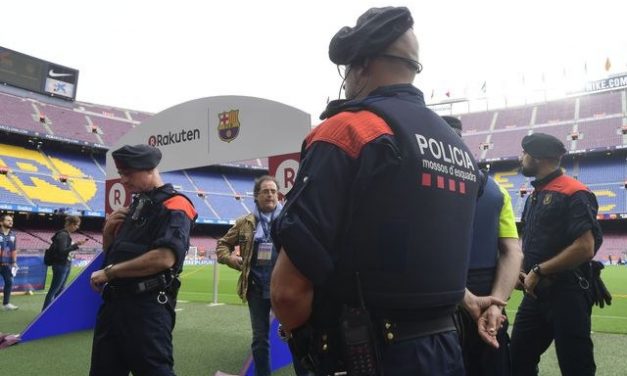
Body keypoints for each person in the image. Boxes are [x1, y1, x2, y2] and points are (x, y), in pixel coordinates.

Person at [270, 7, 504, 375]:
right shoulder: (458, 150)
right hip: (444, 349)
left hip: (362, 350)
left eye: (347, 68)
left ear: (362, 65)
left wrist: (307, 344)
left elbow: (287, 291)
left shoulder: (347, 131)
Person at [88, 144, 197, 376]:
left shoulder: (176, 204)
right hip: (114, 307)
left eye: (128, 173)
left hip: (147, 309)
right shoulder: (137, 204)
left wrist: (110, 273)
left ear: (149, 168)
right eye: (121, 173)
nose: (123, 180)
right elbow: (113, 257)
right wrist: (108, 233)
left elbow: (164, 258)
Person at [510, 133, 603, 376]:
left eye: (524, 153)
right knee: (516, 360)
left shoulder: (575, 191)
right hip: (536, 294)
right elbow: (533, 243)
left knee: (576, 366)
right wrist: (523, 272)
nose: (521, 158)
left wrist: (539, 270)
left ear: (538, 157)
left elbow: (585, 247)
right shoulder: (535, 195)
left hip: (567, 294)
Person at [444, 116, 523, 376]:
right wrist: (496, 305)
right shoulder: (496, 190)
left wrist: (466, 296)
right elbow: (512, 251)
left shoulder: (420, 184)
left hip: (441, 302)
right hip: (488, 298)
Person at [216, 175, 309, 376]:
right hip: (256, 289)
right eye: (265, 191)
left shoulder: (289, 220)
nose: (270, 195)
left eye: (273, 191)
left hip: (286, 289)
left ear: (278, 195)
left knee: (295, 336)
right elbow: (222, 244)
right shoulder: (245, 223)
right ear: (256, 196)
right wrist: (231, 259)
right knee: (260, 338)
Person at [42, 215, 87, 310]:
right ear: (71, 224)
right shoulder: (63, 235)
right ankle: (44, 312)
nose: (77, 227)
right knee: (54, 290)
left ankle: (54, 310)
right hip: (60, 265)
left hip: (65, 264)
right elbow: (62, 251)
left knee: (60, 289)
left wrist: (76, 245)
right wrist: (75, 245)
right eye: (76, 225)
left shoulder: (65, 235)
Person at [0, 214, 18, 311]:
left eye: (11, 220)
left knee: (9, 282)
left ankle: (6, 304)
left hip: (7, 264)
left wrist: (14, 262)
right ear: (1, 222)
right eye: (8, 220)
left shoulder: (13, 235)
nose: (10, 222)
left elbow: (14, 250)